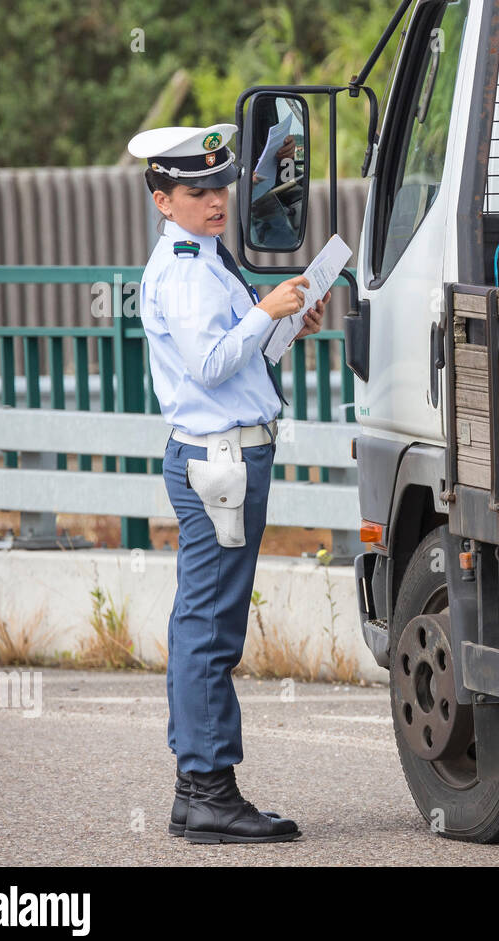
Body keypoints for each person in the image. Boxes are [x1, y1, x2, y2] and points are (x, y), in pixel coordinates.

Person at [126, 123, 330, 844]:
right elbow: (210, 364)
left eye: (220, 185)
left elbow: (234, 356)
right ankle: (209, 790)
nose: (216, 199)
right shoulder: (184, 270)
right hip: (219, 462)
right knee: (209, 632)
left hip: (226, 458)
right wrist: (265, 312)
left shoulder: (205, 256)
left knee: (204, 626)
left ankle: (197, 791)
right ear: (163, 200)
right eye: (196, 190)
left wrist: (286, 326)